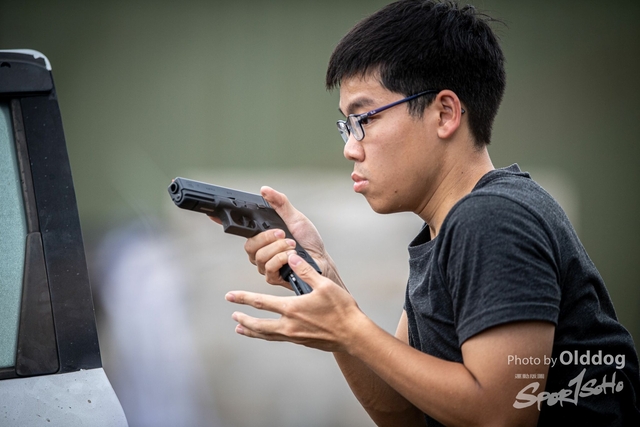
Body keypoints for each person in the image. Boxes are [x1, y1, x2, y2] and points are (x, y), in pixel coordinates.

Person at [222, 1, 640, 425]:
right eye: (346, 125)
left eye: (364, 118)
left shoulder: (492, 218)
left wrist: (349, 328)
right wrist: (325, 282)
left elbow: (501, 415)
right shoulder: (448, 229)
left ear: (444, 113)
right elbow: (403, 413)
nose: (350, 147)